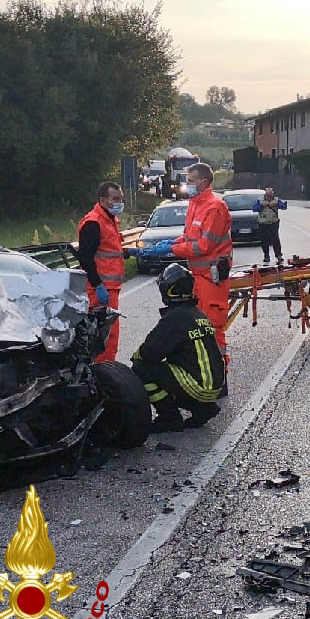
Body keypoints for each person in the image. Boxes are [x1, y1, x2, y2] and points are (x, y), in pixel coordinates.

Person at [143, 163, 233, 365]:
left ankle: (219, 374)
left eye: (190, 181)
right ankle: (202, 369)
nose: (186, 184)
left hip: (212, 277)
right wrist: (173, 243)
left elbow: (203, 246)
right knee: (197, 326)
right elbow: (190, 237)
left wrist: (173, 250)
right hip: (198, 276)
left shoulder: (214, 207)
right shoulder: (195, 204)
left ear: (204, 182)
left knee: (212, 327)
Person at [130, 264, 224, 433]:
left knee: (141, 368)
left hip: (199, 386)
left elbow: (150, 353)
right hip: (215, 385)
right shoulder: (197, 313)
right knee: (171, 372)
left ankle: (169, 418)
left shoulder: (174, 318)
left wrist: (136, 357)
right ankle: (202, 408)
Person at [76, 181, 126, 362]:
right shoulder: (94, 223)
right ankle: (103, 377)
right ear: (103, 200)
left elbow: (107, 251)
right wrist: (97, 285)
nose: (120, 202)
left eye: (121, 199)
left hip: (109, 288)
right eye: (115, 199)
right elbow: (86, 257)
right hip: (99, 290)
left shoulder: (109, 220)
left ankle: (106, 374)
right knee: (104, 339)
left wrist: (128, 253)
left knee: (110, 338)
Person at [252, 187, 287, 264]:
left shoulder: (276, 200)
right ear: (265, 194)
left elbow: (284, 207)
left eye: (270, 194)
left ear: (272, 194)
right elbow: (254, 209)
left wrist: (277, 204)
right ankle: (266, 256)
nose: (269, 196)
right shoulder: (260, 200)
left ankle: (278, 255)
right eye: (267, 194)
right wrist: (261, 205)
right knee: (264, 240)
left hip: (273, 222)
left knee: (275, 239)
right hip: (262, 223)